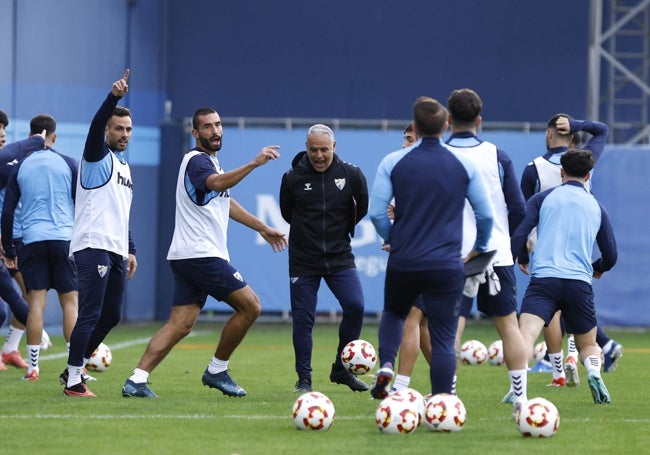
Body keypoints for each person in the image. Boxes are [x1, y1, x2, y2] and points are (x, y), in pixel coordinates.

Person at [122, 107, 286, 398]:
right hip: (201, 255)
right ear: (195, 133)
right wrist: (253, 164)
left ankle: (136, 379)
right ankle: (217, 370)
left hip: (187, 255)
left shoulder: (211, 162)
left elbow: (225, 201)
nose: (216, 131)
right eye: (208, 127)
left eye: (219, 125)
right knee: (251, 306)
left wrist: (261, 227)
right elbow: (216, 184)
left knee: (180, 324)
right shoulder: (198, 162)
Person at [368, 96, 493, 399]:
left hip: (405, 260)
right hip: (446, 264)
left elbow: (376, 212)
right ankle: (443, 401)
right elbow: (485, 215)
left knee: (396, 315)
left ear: (417, 125)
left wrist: (392, 238)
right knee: (443, 335)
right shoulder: (463, 164)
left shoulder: (394, 161)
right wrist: (480, 247)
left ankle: (386, 364)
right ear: (445, 124)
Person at [520, 114, 622, 387]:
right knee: (578, 313)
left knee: (539, 320)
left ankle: (552, 371)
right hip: (578, 252)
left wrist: (522, 251)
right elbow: (602, 128)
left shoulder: (534, 169)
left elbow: (521, 213)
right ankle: (583, 358)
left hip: (546, 252)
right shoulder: (587, 163)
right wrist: (576, 124)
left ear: (549, 133)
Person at [443, 88, 528, 410]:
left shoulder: (438, 154)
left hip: (454, 256)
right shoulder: (498, 155)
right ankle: (521, 397)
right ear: (479, 120)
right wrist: (517, 248)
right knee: (509, 325)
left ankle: (448, 397)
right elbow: (518, 208)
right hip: (497, 253)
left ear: (449, 119)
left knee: (452, 328)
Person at [63, 70, 137, 397]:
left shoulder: (124, 166)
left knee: (111, 315)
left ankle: (71, 368)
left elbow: (121, 212)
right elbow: (94, 129)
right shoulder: (96, 157)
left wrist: (130, 247)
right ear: (107, 129)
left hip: (116, 248)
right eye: (118, 128)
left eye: (128, 129)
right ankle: (74, 381)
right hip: (92, 244)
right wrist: (113, 100)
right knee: (91, 312)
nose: (124, 134)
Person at [279, 124, 369, 394]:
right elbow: (287, 214)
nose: (319, 155)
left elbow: (361, 208)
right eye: (313, 149)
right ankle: (304, 380)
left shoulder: (351, 174)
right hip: (304, 260)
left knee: (355, 306)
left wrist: (339, 232)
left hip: (339, 256)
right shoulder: (292, 177)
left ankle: (341, 370)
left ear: (334, 147)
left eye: (324, 150)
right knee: (303, 320)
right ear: (306, 148)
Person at [1, 114, 78, 381]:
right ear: (53, 137)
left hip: (31, 240)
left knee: (35, 302)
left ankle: (33, 368)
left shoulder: (19, 165)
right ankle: (75, 369)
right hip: (63, 238)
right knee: (70, 302)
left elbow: (8, 211)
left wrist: (9, 249)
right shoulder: (68, 163)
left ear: (30, 135)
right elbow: (82, 204)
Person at [0, 115, 52, 370]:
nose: (2, 134)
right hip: (7, 238)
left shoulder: (9, 161)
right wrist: (35, 143)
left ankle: (10, 349)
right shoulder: (6, 162)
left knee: (30, 294)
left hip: (16, 237)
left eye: (3, 130)